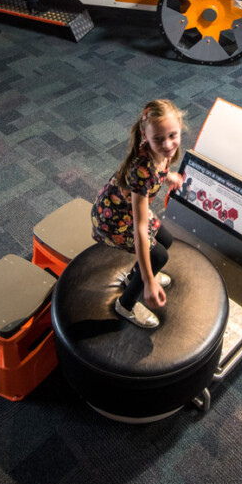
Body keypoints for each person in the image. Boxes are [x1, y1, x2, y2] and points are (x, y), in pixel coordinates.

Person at [91, 99, 185, 329]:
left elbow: (162, 163)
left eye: (173, 135)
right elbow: (140, 229)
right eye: (159, 139)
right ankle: (126, 303)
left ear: (180, 128)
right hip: (114, 222)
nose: (167, 144)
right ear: (145, 135)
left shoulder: (162, 153)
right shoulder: (142, 172)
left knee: (166, 240)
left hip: (125, 212)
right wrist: (149, 280)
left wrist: (168, 176)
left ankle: (132, 277)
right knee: (159, 256)